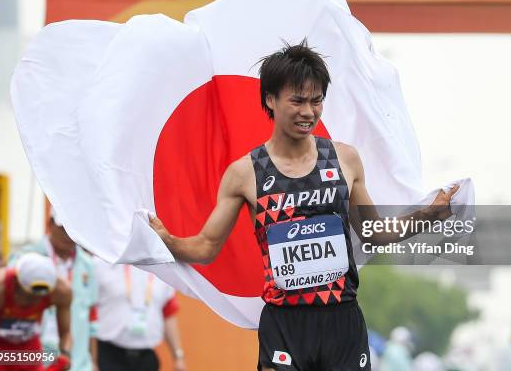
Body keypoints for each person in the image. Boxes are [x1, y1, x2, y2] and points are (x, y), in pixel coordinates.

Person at [149, 40, 458, 371]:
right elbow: (207, 246)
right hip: (284, 326)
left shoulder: (345, 159)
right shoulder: (245, 173)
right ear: (270, 99)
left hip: (342, 321)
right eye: (297, 101)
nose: (308, 112)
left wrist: (427, 215)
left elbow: (373, 233)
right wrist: (168, 240)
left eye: (316, 101)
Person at [13, 210, 99, 371]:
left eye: (74, 229)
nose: (69, 235)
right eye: (64, 228)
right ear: (50, 225)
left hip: (78, 364)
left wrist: (93, 361)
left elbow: (92, 317)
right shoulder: (23, 260)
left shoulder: (89, 265)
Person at [94, 260, 186, 371]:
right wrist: (91, 358)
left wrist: (178, 356)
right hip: (109, 355)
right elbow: (87, 311)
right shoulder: (102, 262)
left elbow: (168, 312)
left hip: (146, 357)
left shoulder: (163, 270)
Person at [0, 253, 72, 371]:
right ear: (17, 282)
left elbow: (65, 334)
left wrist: (65, 355)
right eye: (29, 296)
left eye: (41, 296)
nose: (35, 300)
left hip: (29, 352)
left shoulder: (62, 290)